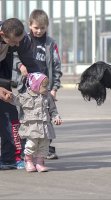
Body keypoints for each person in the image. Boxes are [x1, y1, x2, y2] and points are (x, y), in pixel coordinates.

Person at [14, 9, 62, 160]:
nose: (39, 31)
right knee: (25, 117)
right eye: (36, 27)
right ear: (30, 25)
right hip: (26, 88)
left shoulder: (50, 44)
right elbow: (14, 56)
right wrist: (20, 66)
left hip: (43, 88)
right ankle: (24, 148)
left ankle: (45, 147)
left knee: (45, 118)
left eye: (42, 28)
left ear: (47, 26)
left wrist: (54, 88)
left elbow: (56, 66)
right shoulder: (23, 40)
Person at [0, 18, 41, 170]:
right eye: (13, 42)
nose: (17, 45)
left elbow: (31, 65)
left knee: (9, 111)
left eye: (19, 40)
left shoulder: (21, 40)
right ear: (2, 34)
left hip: (3, 69)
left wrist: (42, 86)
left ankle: (8, 158)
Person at [8, 72, 62, 172]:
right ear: (35, 85)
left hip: (45, 127)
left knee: (44, 146)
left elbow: (53, 110)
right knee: (31, 145)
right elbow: (16, 100)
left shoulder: (48, 96)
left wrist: (56, 117)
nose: (46, 88)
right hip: (31, 127)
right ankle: (28, 161)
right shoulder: (25, 96)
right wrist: (10, 97)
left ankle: (40, 163)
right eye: (44, 85)